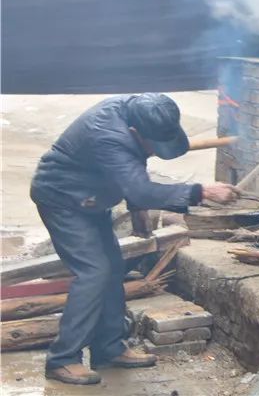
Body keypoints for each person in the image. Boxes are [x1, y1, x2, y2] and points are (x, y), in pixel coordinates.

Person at [30, 94, 240, 386]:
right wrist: (200, 192)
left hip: (92, 198)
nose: (154, 151)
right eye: (153, 146)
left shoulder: (140, 113)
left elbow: (131, 171)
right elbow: (138, 187)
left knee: (113, 266)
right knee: (94, 272)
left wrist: (138, 213)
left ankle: (109, 347)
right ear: (133, 133)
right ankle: (62, 359)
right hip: (63, 199)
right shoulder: (109, 135)